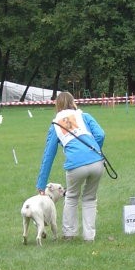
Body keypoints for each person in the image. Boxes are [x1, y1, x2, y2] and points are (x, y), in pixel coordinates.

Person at [35, 92, 106, 242]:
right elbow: (100, 134)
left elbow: (48, 156)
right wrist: (95, 150)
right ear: (73, 102)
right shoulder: (84, 116)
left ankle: (69, 234)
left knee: (72, 197)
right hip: (97, 161)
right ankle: (89, 236)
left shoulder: (55, 124)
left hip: (75, 165)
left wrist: (41, 184)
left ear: (57, 105)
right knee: (90, 199)